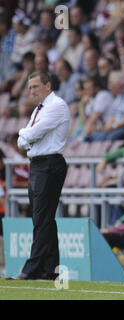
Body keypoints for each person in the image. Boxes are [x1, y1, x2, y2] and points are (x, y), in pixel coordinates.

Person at [9, 71, 70, 280]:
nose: (31, 91)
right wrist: (26, 135)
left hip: (49, 164)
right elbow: (22, 140)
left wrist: (26, 135)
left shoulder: (57, 106)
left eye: (35, 86)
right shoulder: (39, 109)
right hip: (37, 164)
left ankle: (31, 268)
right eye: (30, 87)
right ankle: (50, 269)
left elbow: (32, 134)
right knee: (43, 218)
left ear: (47, 86)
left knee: (41, 218)